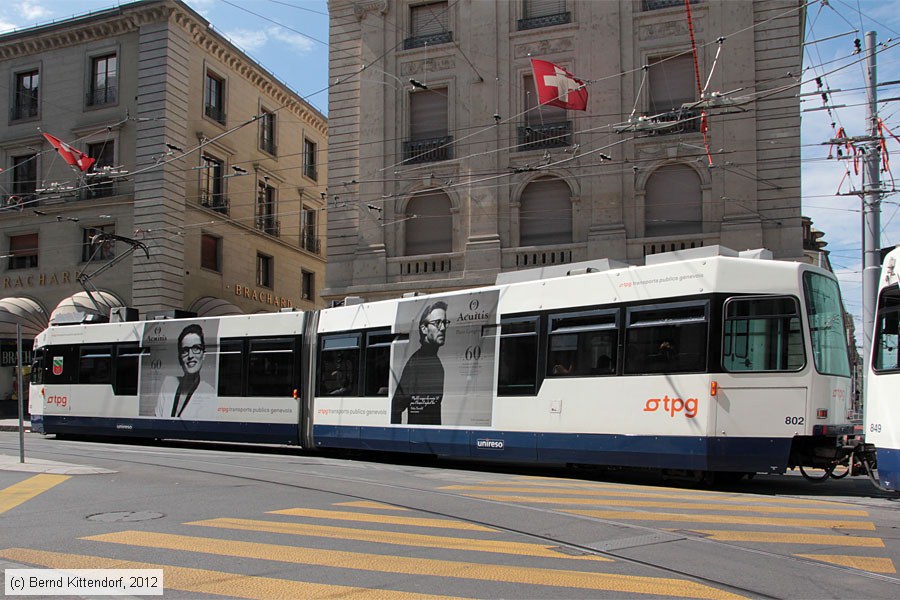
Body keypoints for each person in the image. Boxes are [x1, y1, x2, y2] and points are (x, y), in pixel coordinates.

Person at [391, 301, 449, 425]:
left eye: (444, 323)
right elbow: (396, 406)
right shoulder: (416, 363)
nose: (443, 328)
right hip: (420, 439)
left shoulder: (435, 362)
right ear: (424, 328)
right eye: (438, 323)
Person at [154, 324, 217, 419]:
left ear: (203, 355)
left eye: (196, 348)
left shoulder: (210, 392)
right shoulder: (168, 383)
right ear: (180, 358)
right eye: (185, 351)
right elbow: (157, 420)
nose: (190, 355)